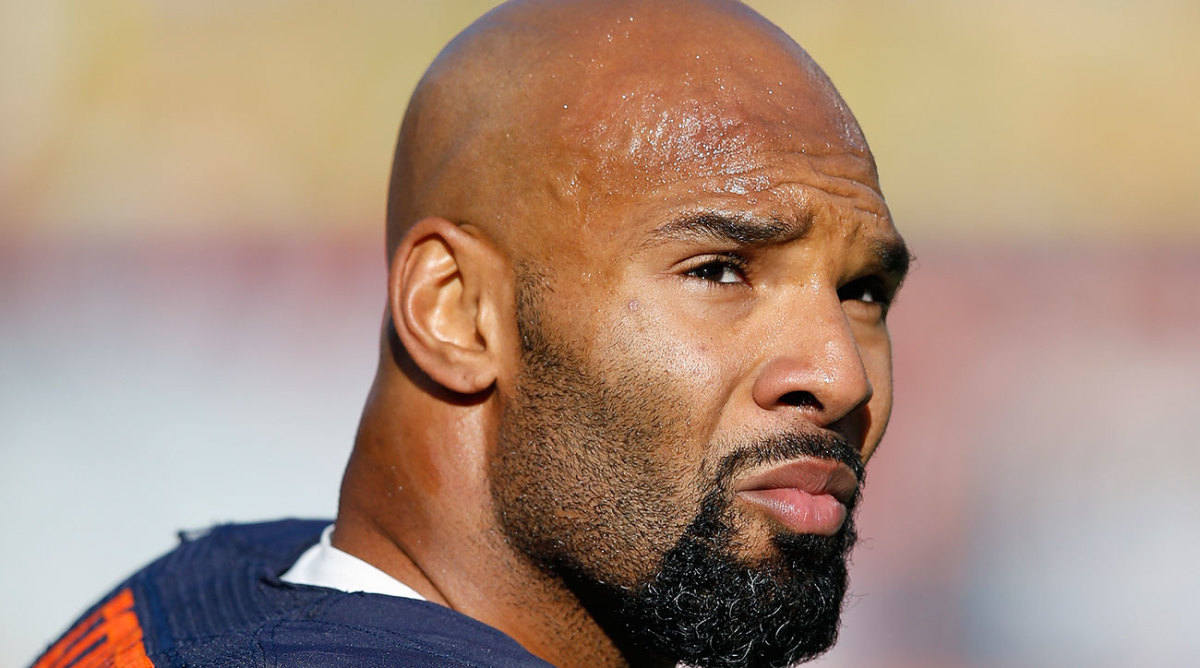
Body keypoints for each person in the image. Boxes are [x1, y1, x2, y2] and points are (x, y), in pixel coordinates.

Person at [34, 0, 909, 666]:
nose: (842, 375)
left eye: (863, 291)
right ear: (454, 310)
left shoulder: (214, 592)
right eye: (719, 270)